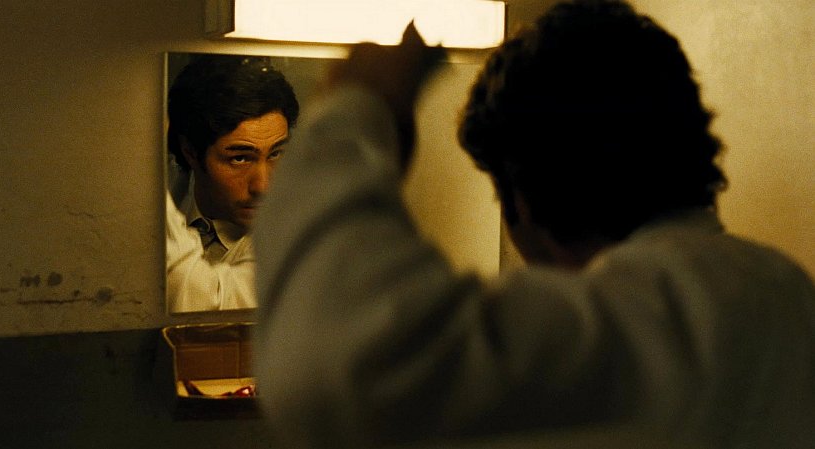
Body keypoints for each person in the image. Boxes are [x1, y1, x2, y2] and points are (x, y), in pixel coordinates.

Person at [251, 1, 815, 448]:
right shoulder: (785, 292)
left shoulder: (642, 321)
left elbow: (336, 366)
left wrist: (358, 105)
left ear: (519, 197)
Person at [165, 54, 299, 312]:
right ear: (190, 152)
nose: (263, 186)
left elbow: (199, 302)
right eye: (240, 158)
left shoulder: (294, 240)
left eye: (276, 153)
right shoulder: (162, 192)